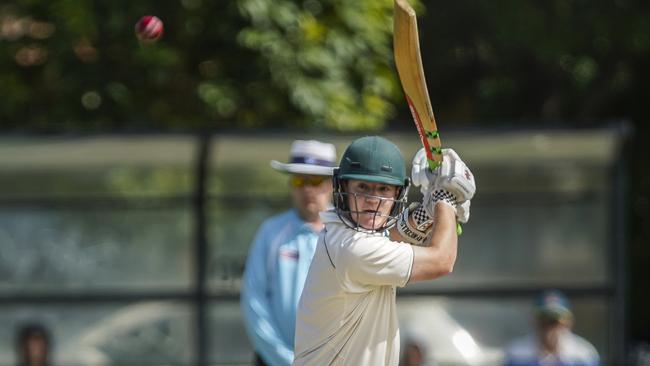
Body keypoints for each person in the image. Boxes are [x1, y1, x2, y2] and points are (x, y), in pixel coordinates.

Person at [293, 136, 476, 365]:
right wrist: (445, 200)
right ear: (343, 188)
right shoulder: (352, 250)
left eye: (383, 188)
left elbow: (390, 236)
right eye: (362, 187)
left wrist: (427, 214)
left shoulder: (341, 230)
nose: (372, 199)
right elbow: (442, 261)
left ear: (397, 194)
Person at [241, 139, 337, 366]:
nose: (307, 188)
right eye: (299, 179)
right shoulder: (271, 232)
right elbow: (253, 301)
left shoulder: (348, 234)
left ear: (332, 184)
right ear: (291, 185)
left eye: (315, 179)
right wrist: (284, 360)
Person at [502, 290, 600, 366]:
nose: (550, 327)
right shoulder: (517, 353)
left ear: (568, 323)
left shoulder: (583, 354)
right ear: (534, 322)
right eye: (544, 320)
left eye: (555, 320)